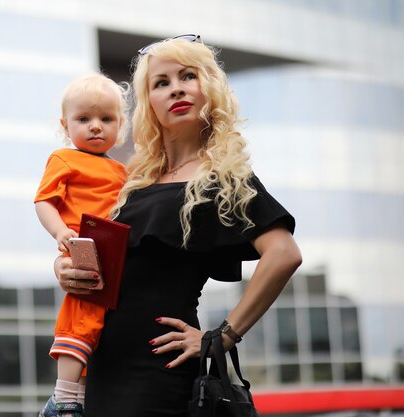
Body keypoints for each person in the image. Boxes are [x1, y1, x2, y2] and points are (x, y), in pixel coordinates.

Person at [53, 35, 302, 417]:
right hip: (100, 366)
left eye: (188, 76)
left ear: (209, 89)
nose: (176, 89)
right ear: (149, 103)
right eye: (161, 83)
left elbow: (284, 254)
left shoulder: (223, 177)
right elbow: (97, 254)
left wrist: (223, 336)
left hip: (158, 369)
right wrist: (65, 268)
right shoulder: (134, 180)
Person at [34, 73, 129, 417]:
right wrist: (60, 232)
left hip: (114, 250)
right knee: (82, 313)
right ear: (65, 124)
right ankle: (65, 397)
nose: (95, 127)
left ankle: (81, 392)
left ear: (121, 125)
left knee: (101, 321)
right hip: (82, 243)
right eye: (84, 119)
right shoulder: (64, 159)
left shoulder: (122, 171)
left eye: (106, 119)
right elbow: (44, 201)